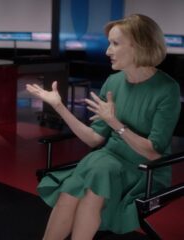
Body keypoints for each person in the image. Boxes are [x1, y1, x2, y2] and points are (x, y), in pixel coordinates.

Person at [27, 14, 181, 239]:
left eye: (115, 44)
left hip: (144, 169)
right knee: (69, 195)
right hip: (107, 160)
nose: (107, 51)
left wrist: (115, 123)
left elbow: (153, 151)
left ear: (139, 45)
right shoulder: (113, 82)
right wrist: (59, 106)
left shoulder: (167, 89)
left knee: (94, 183)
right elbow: (95, 140)